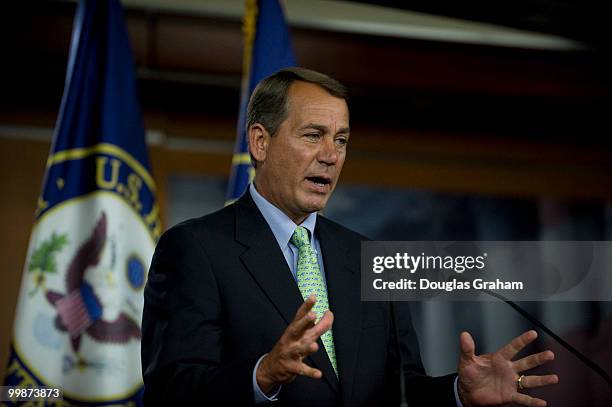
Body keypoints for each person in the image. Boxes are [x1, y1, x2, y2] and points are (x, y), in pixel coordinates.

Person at [141, 67, 558, 406]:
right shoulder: (195, 249)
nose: (331, 154)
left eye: (341, 140)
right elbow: (171, 391)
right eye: (313, 135)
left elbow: (401, 390)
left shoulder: (367, 256)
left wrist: (458, 393)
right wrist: (262, 376)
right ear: (260, 142)